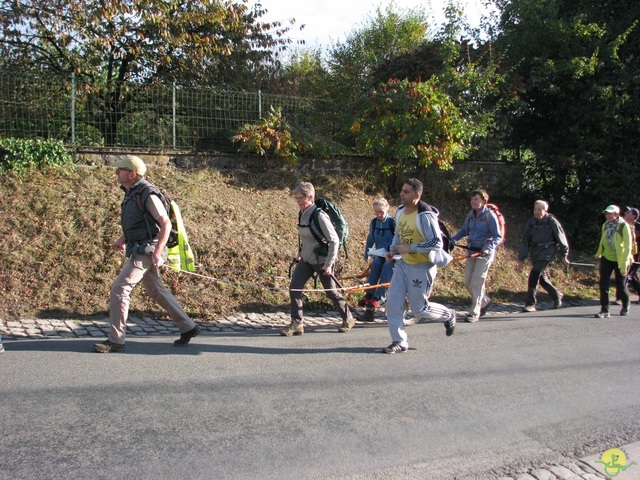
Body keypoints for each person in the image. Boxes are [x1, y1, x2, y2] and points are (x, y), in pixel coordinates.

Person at [94, 155, 200, 353]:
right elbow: (142, 223)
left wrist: (158, 253)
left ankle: (116, 340)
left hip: (146, 250)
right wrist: (123, 239)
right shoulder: (132, 192)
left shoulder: (147, 193)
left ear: (132, 174)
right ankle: (188, 327)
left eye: (121, 169)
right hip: (140, 247)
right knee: (157, 291)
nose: (117, 172)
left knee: (120, 289)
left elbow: (165, 223)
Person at [382, 178, 456, 354]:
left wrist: (411, 248)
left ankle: (448, 315)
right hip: (403, 265)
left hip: (422, 267)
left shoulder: (425, 215)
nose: (401, 194)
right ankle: (399, 341)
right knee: (392, 304)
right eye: (401, 191)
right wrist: (392, 250)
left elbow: (436, 243)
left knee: (419, 308)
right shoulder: (400, 212)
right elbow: (398, 235)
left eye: (406, 192)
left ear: (416, 195)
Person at [282, 182, 354, 336]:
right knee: (294, 288)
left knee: (331, 293)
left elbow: (334, 240)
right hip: (307, 260)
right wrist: (300, 252)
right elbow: (305, 237)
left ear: (310, 197)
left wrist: (328, 264)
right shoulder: (302, 213)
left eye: (300, 198)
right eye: (296, 198)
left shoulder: (319, 215)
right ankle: (297, 324)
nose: (298, 201)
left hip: (322, 261)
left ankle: (348, 317)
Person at [450, 189, 502, 322]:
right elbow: (464, 230)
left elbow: (497, 236)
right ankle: (484, 301)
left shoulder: (489, 216)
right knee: (468, 282)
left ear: (484, 201)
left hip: (484, 254)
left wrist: (488, 247)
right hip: (471, 251)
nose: (473, 201)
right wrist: (453, 239)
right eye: (472, 199)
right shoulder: (471, 215)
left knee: (477, 282)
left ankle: (474, 312)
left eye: (476, 199)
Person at [516, 200, 570, 312]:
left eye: (539, 210)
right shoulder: (531, 223)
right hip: (535, 252)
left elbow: (562, 239)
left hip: (547, 252)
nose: (536, 212)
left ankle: (530, 304)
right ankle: (556, 295)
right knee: (541, 278)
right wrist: (521, 259)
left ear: (545, 210)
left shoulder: (552, 222)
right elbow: (525, 241)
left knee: (534, 274)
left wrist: (564, 255)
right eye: (535, 209)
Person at [594, 205, 633, 318]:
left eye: (611, 213)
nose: (608, 216)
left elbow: (628, 246)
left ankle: (626, 304)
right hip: (607, 257)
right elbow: (603, 240)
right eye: (607, 214)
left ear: (617, 214)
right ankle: (605, 310)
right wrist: (598, 253)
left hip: (621, 259)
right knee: (603, 284)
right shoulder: (605, 225)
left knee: (621, 285)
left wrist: (624, 264)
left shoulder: (624, 226)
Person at [360, 197, 396, 310]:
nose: (379, 215)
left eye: (381, 212)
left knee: (387, 267)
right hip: (380, 255)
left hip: (393, 255)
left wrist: (391, 250)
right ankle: (369, 294)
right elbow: (371, 238)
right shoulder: (374, 222)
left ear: (387, 209)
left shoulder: (392, 222)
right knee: (375, 264)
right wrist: (367, 253)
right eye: (376, 212)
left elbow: (398, 238)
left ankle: (380, 296)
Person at [622, 207, 640, 303]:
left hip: (636, 257)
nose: (625, 213)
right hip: (625, 255)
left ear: (633, 216)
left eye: (628, 212)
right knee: (632, 276)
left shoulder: (639, 227)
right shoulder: (623, 225)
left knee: (627, 275)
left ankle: (621, 298)